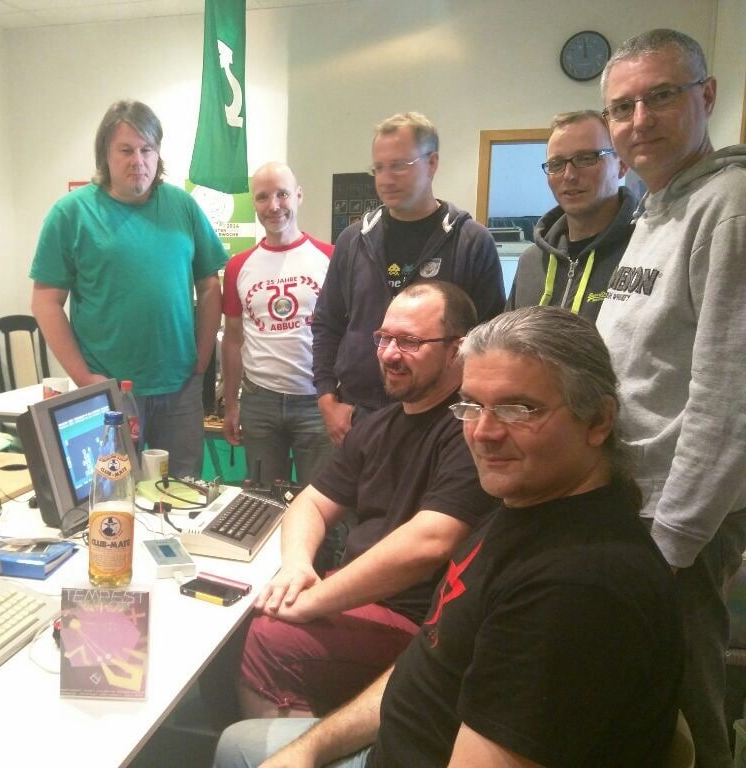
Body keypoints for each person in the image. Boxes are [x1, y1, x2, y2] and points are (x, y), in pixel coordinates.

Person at [216, 306, 682, 768]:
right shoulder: (523, 510)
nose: (483, 433)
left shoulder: (575, 589)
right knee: (237, 742)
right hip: (392, 743)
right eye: (472, 406)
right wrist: (310, 748)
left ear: (598, 420)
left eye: (518, 409)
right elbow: (427, 663)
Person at [238, 281, 495, 719]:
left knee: (271, 639)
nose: (390, 354)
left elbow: (431, 542)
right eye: (384, 338)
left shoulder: (471, 430)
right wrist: (297, 567)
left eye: (410, 342)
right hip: (358, 598)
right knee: (239, 616)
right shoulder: (378, 426)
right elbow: (310, 504)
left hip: (420, 623)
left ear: (458, 348)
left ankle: (297, 746)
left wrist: (316, 600)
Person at [595, 28, 746, 768]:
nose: (639, 120)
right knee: (642, 698)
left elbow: (731, 397)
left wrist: (674, 545)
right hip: (634, 501)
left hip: (677, 521)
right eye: (622, 107)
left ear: (706, 96)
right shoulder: (658, 207)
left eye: (660, 96)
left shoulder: (730, 206)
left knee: (686, 699)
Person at [29, 100, 227, 478]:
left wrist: (202, 359)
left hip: (179, 389)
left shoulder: (183, 207)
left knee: (183, 494)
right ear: (105, 154)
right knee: (111, 495)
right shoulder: (70, 214)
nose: (138, 160)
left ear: (158, 153)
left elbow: (208, 285)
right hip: (110, 393)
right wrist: (84, 378)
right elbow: (45, 302)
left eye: (147, 149)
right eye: (126, 150)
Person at [312, 112, 505, 447]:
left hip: (442, 422)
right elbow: (327, 323)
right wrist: (327, 398)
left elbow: (488, 339)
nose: (386, 179)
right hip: (357, 416)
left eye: (399, 165)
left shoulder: (470, 242)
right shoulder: (353, 240)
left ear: (432, 163)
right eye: (379, 168)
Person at [221, 162, 333, 487]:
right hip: (260, 402)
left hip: (317, 400)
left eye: (282, 194)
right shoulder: (238, 267)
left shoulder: (331, 257)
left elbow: (348, 332)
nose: (273, 206)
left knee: (322, 500)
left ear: (299, 195)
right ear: (254, 203)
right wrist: (231, 404)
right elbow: (232, 339)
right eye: (262, 197)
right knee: (263, 501)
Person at [506, 110, 634, 322]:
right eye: (556, 164)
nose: (569, 175)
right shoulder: (531, 262)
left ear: (621, 165)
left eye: (586, 159)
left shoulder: (643, 251)